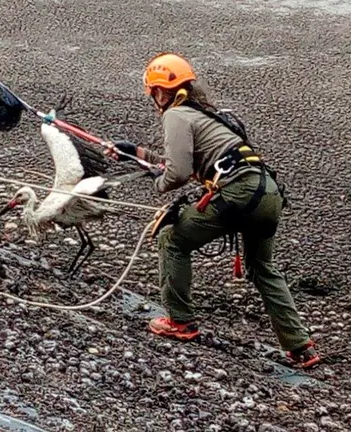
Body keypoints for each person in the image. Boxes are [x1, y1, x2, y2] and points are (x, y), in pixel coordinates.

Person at [104, 52, 320, 368]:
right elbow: (183, 164)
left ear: (160, 92)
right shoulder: (206, 116)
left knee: (171, 238)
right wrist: (133, 153)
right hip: (268, 193)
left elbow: (176, 173)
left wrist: (158, 183)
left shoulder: (176, 115)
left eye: (153, 93)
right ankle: (300, 347)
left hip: (238, 194)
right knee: (262, 267)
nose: (153, 99)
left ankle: (180, 321)